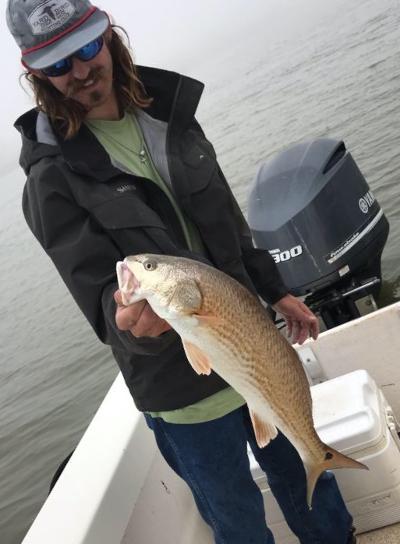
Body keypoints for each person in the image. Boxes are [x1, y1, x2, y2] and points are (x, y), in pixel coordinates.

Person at [7, 1, 357, 543]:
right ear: (37, 76)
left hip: (252, 348)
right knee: (236, 523)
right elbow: (101, 297)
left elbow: (229, 224)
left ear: (108, 36)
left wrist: (275, 290)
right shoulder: (51, 180)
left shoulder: (169, 112)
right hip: (180, 393)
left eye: (84, 49)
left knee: (319, 498)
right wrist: (130, 320)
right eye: (57, 65)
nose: (78, 72)